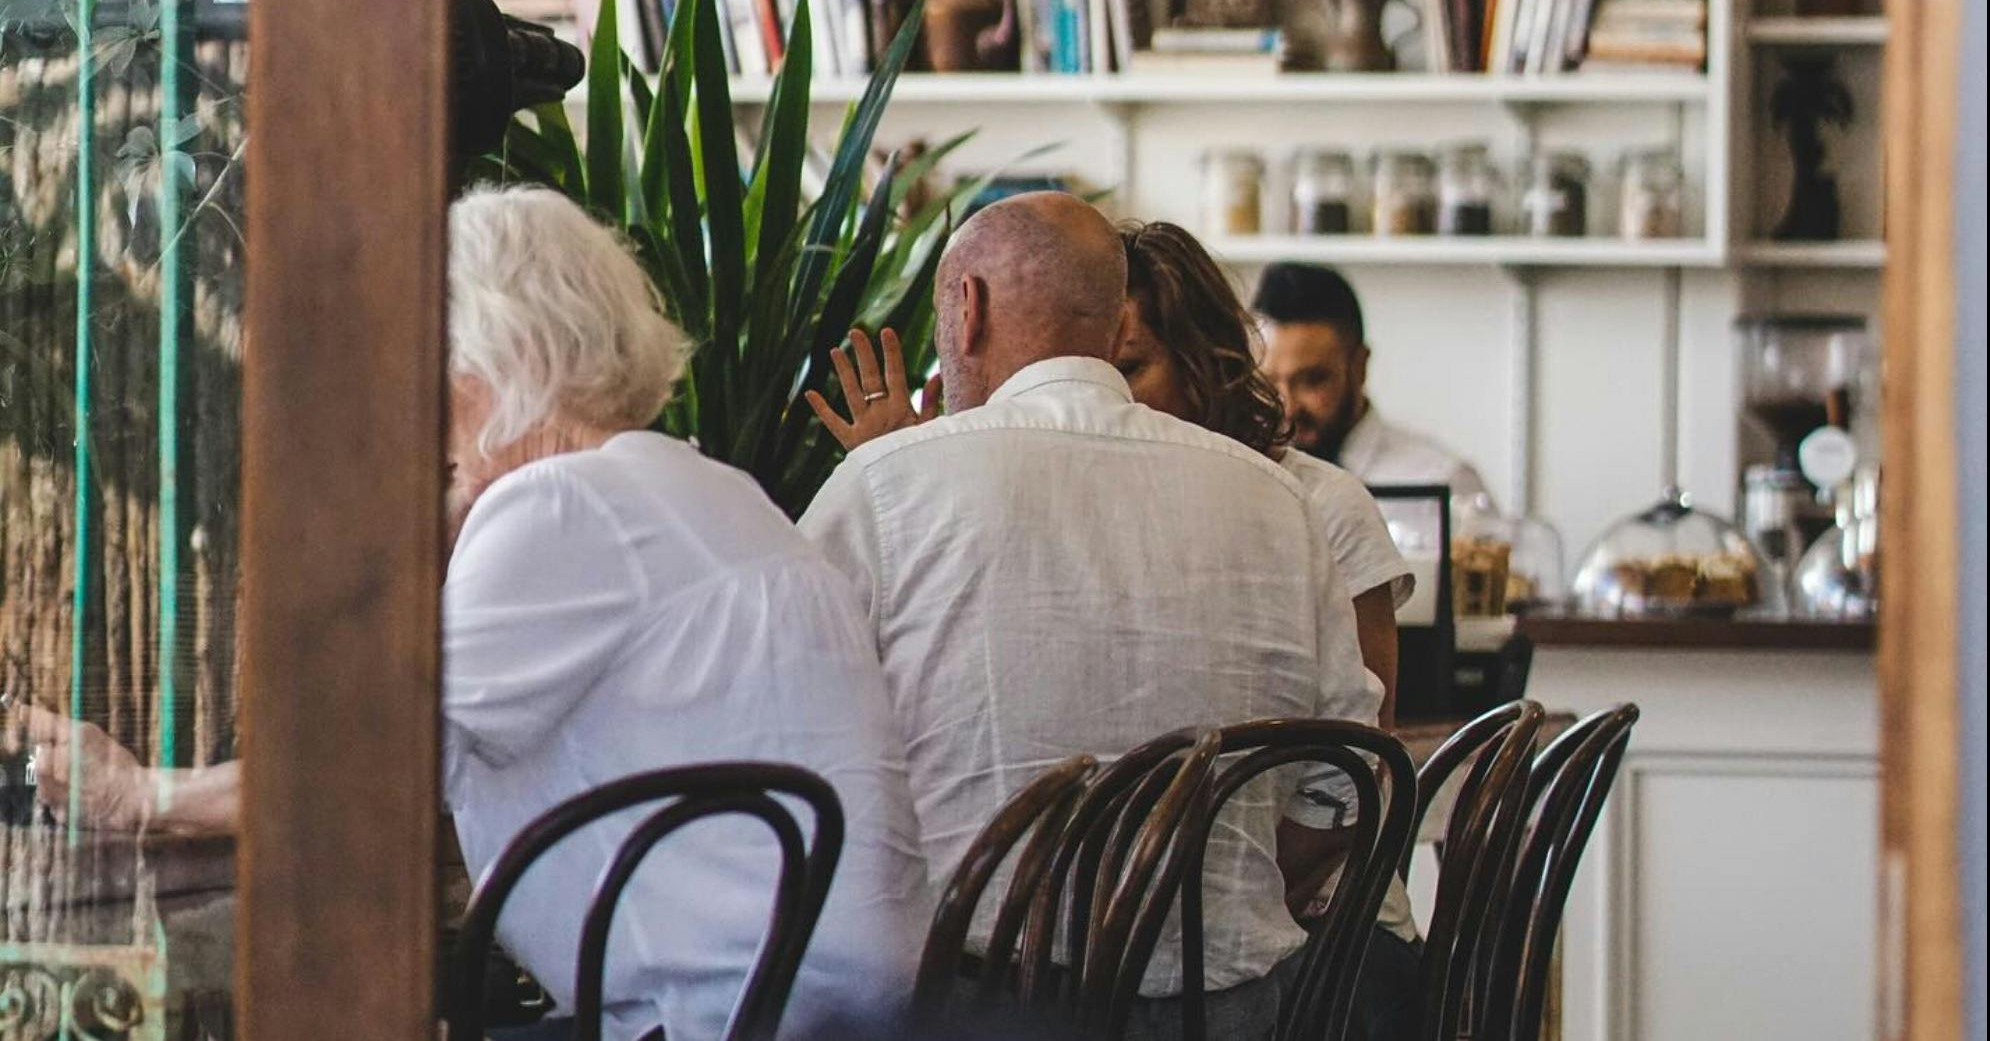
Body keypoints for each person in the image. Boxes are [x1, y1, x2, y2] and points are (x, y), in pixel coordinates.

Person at [23, 187, 935, 1041]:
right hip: (839, 996)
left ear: (481, 365)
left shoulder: (565, 505)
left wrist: (140, 796)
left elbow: (365, 769)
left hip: (721, 1011)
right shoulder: (702, 486)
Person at [800, 192, 1380, 1041]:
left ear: (967, 311)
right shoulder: (1277, 499)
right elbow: (1345, 778)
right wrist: (1196, 923)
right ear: (1112, 326)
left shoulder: (887, 484)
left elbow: (785, 734)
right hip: (1225, 1013)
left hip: (975, 1010)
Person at [1115, 222, 1423, 1041]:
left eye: (1130, 369)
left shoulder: (1323, 504)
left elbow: (1360, 776)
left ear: (1205, 362)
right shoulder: (1114, 504)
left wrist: (1211, 902)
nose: (1105, 400)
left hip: (1333, 938)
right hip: (1169, 937)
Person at [1252, 262, 1491, 506]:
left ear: (1359, 367)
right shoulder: (1246, 478)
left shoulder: (1442, 482)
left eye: (1313, 380)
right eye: (1268, 382)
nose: (1288, 407)